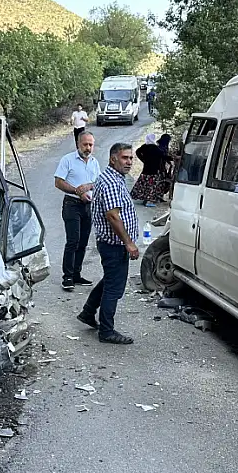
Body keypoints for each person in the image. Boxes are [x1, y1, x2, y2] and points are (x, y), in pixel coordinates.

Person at [77, 143, 140, 344]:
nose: (129, 162)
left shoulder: (110, 177)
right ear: (113, 159)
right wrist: (129, 243)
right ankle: (106, 331)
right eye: (124, 158)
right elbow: (113, 216)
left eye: (131, 158)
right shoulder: (112, 182)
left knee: (110, 280)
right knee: (114, 288)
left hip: (110, 243)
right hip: (114, 245)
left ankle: (88, 312)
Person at [53, 131, 101, 291]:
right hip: (72, 204)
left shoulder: (94, 162)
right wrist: (77, 191)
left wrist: (88, 187)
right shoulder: (67, 160)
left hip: (89, 205)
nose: (88, 148)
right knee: (73, 240)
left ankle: (76, 274)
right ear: (78, 144)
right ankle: (67, 277)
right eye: (85, 144)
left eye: (91, 145)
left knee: (83, 242)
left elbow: (98, 183)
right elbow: (58, 182)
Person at [131, 133, 167, 207]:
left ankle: (144, 199)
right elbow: (163, 156)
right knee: (152, 186)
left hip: (146, 169)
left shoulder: (145, 146)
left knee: (144, 184)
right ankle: (149, 201)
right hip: (153, 170)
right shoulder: (155, 148)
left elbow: (137, 152)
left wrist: (143, 159)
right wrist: (173, 158)